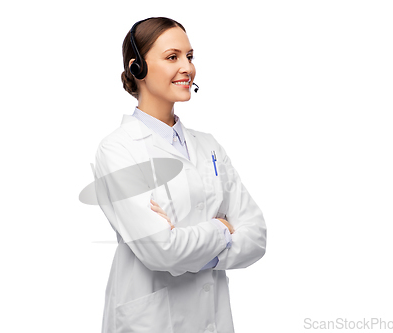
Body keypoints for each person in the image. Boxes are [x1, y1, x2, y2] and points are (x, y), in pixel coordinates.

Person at [94, 17, 267, 333]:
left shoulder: (208, 145)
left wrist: (197, 253)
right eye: (172, 57)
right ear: (137, 68)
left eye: (190, 56)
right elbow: (162, 250)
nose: (187, 67)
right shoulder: (117, 149)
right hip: (151, 322)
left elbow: (256, 235)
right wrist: (221, 227)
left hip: (211, 319)